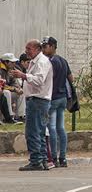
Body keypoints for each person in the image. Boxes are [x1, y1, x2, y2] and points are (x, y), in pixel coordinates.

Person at [11, 40, 53, 171]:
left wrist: (23, 75)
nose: (26, 51)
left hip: (38, 100)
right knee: (39, 132)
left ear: (37, 49)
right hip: (37, 100)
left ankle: (36, 161)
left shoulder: (41, 62)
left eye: (29, 48)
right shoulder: (36, 62)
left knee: (33, 132)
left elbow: (39, 80)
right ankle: (43, 159)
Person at [41, 37, 74, 168]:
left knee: (52, 128)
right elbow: (71, 78)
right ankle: (63, 158)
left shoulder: (48, 62)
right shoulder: (63, 61)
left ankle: (53, 157)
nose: (44, 49)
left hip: (52, 97)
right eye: (43, 46)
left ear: (53, 46)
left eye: (46, 46)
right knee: (61, 128)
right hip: (63, 98)